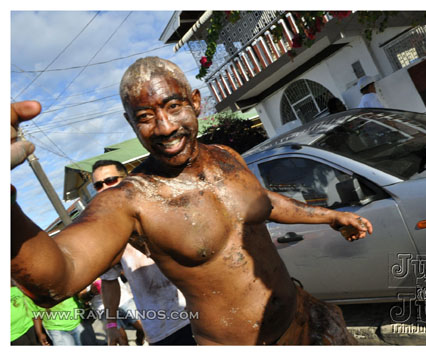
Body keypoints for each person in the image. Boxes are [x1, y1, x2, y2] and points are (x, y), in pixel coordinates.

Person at [11, 56, 373, 345]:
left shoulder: (227, 157)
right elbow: (58, 276)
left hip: (304, 322)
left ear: (195, 102)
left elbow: (263, 202)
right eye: (145, 117)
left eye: (173, 106)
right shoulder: (130, 200)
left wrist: (328, 216)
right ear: (131, 124)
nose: (165, 127)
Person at [92, 159, 196, 345]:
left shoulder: (161, 208)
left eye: (110, 180)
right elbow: (109, 282)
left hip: (198, 312)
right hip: (160, 329)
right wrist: (111, 326)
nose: (104, 188)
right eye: (98, 185)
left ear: (127, 179)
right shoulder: (107, 234)